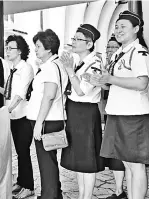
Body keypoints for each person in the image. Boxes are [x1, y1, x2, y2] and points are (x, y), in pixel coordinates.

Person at [93, 10, 149, 199]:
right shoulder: (119, 52)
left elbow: (142, 83)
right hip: (118, 112)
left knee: (136, 164)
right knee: (127, 163)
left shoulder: (139, 52)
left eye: (123, 26)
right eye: (116, 27)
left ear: (136, 29)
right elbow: (113, 83)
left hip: (133, 114)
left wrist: (111, 79)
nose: (118, 30)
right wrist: (101, 81)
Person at [0, 35, 35, 198]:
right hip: (13, 116)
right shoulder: (12, 69)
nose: (8, 50)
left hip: (23, 116)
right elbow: (9, 92)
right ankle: (21, 182)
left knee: (24, 151)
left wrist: (7, 110)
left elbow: (20, 94)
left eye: (11, 48)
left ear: (20, 51)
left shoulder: (26, 68)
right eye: (7, 47)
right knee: (19, 151)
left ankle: (29, 186)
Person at [60, 24, 104, 199]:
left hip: (86, 113)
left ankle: (87, 196)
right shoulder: (79, 61)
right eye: (74, 38)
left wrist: (70, 70)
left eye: (78, 39)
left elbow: (81, 91)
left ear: (89, 44)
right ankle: (81, 195)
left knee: (88, 157)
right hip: (74, 111)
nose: (74, 42)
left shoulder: (95, 63)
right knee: (78, 156)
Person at [26, 29, 68, 199]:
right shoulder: (55, 64)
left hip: (46, 120)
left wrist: (38, 124)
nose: (35, 49)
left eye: (38, 46)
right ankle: (54, 194)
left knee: (46, 163)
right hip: (50, 118)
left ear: (49, 48)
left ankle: (49, 196)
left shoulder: (51, 67)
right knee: (49, 161)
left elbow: (49, 95)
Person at [101, 35, 127, 199]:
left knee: (126, 154)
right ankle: (119, 190)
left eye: (113, 47)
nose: (109, 50)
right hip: (111, 111)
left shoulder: (124, 65)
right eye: (108, 47)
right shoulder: (109, 66)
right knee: (114, 151)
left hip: (124, 112)